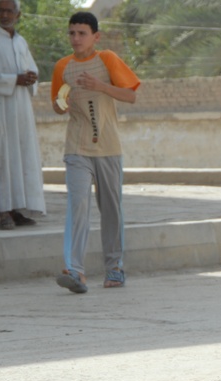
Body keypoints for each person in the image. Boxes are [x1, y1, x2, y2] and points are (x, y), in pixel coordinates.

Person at [50, 11, 139, 294]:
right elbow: (56, 103)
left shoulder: (108, 59)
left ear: (95, 37)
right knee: (78, 206)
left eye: (82, 33)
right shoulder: (62, 67)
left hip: (109, 147)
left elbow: (131, 95)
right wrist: (61, 105)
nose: (75, 38)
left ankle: (114, 267)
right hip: (77, 148)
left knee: (111, 209)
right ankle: (75, 270)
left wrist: (100, 86)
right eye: (72, 33)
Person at [0, 0, 46, 231]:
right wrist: (14, 80)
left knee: (21, 158)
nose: (5, 15)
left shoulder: (21, 42)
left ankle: (18, 209)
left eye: (9, 11)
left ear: (18, 14)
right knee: (1, 159)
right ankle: (3, 212)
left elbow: (32, 70)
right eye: (0, 10)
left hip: (21, 112)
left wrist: (31, 78)